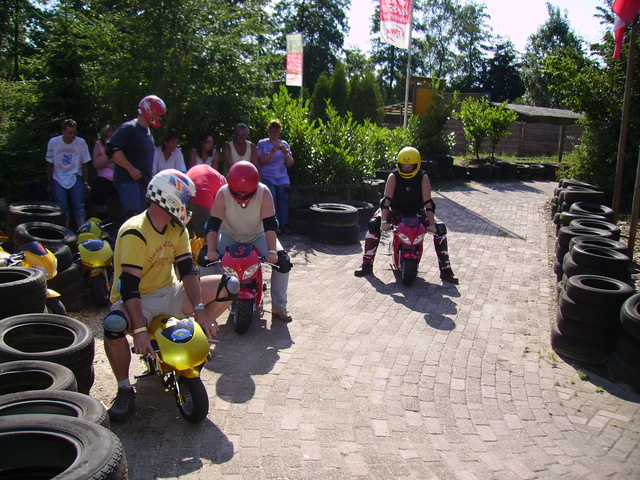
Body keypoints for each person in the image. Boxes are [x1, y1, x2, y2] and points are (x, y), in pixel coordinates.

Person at [103, 169, 238, 422]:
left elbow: (188, 270)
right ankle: (124, 388)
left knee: (229, 286)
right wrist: (139, 330)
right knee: (113, 325)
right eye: (184, 200)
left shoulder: (177, 229)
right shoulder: (135, 231)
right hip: (138, 299)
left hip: (169, 291)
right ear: (169, 198)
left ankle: (188, 343)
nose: (187, 207)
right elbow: (129, 286)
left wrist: (199, 310)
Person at [354, 146, 459, 284]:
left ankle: (445, 270)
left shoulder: (423, 177)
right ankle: (367, 264)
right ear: (399, 164)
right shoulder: (393, 176)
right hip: (395, 210)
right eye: (404, 166)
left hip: (417, 211)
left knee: (441, 228)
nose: (406, 169)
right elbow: (386, 201)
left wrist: (432, 224)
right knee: (374, 223)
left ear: (417, 165)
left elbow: (428, 202)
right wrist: (384, 221)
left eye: (410, 167)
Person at [204, 161, 293, 322]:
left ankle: (279, 306)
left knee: (284, 262)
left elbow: (270, 226)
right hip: (229, 235)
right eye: (238, 195)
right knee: (203, 260)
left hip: (258, 235)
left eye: (247, 195)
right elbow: (213, 225)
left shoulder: (264, 192)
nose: (242, 200)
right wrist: (211, 250)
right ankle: (206, 306)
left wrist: (272, 252)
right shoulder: (223, 193)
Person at [107, 95, 166, 219]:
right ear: (150, 111)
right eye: (158, 115)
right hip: (128, 182)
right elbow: (112, 150)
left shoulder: (147, 132)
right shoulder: (129, 128)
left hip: (143, 183)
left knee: (140, 219)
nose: (159, 118)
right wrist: (130, 169)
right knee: (131, 217)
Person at [45, 118, 92, 228]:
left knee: (79, 205)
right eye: (70, 133)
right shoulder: (53, 142)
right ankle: (65, 230)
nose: (73, 135)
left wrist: (85, 182)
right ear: (63, 131)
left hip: (75, 175)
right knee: (62, 207)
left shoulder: (81, 142)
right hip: (58, 176)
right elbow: (49, 163)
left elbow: (85, 163)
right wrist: (49, 183)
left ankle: (82, 230)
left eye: (74, 132)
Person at [257, 119, 294, 235]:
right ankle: (274, 224)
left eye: (276, 131)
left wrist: (286, 154)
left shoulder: (284, 144)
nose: (274, 134)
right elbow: (260, 162)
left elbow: (290, 163)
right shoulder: (262, 144)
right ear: (269, 132)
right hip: (267, 177)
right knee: (271, 196)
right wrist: (272, 152)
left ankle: (284, 223)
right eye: (272, 131)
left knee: (284, 197)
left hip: (282, 178)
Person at [186, 164, 227, 239]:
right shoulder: (223, 185)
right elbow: (220, 209)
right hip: (202, 196)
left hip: (185, 193)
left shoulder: (211, 172)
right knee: (205, 235)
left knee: (187, 233)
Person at [90, 124, 117, 220]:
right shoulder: (99, 145)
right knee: (97, 194)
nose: (109, 140)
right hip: (103, 178)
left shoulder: (121, 145)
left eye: (112, 137)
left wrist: (105, 164)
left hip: (119, 178)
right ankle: (104, 219)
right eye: (107, 137)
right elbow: (96, 164)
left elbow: (120, 166)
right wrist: (107, 152)